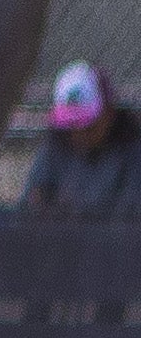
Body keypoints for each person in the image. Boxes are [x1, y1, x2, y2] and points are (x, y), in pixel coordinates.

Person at [21, 58, 141, 218]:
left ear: (109, 112)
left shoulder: (132, 152)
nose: (79, 133)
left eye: (88, 125)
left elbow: (129, 217)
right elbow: (26, 209)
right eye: (70, 125)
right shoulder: (54, 150)